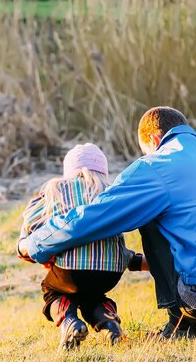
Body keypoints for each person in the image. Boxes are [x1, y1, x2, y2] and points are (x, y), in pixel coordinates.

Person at [18, 107, 196, 339]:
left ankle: (181, 325)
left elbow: (95, 217)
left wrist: (35, 243)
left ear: (153, 140)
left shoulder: (155, 166)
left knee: (151, 212)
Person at [18, 143, 145, 349]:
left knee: (52, 290)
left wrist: (28, 246)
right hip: (110, 272)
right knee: (93, 296)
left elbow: (30, 220)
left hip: (70, 270)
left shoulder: (55, 189)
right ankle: (109, 325)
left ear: (68, 170)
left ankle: (69, 321)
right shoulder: (111, 190)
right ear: (103, 170)